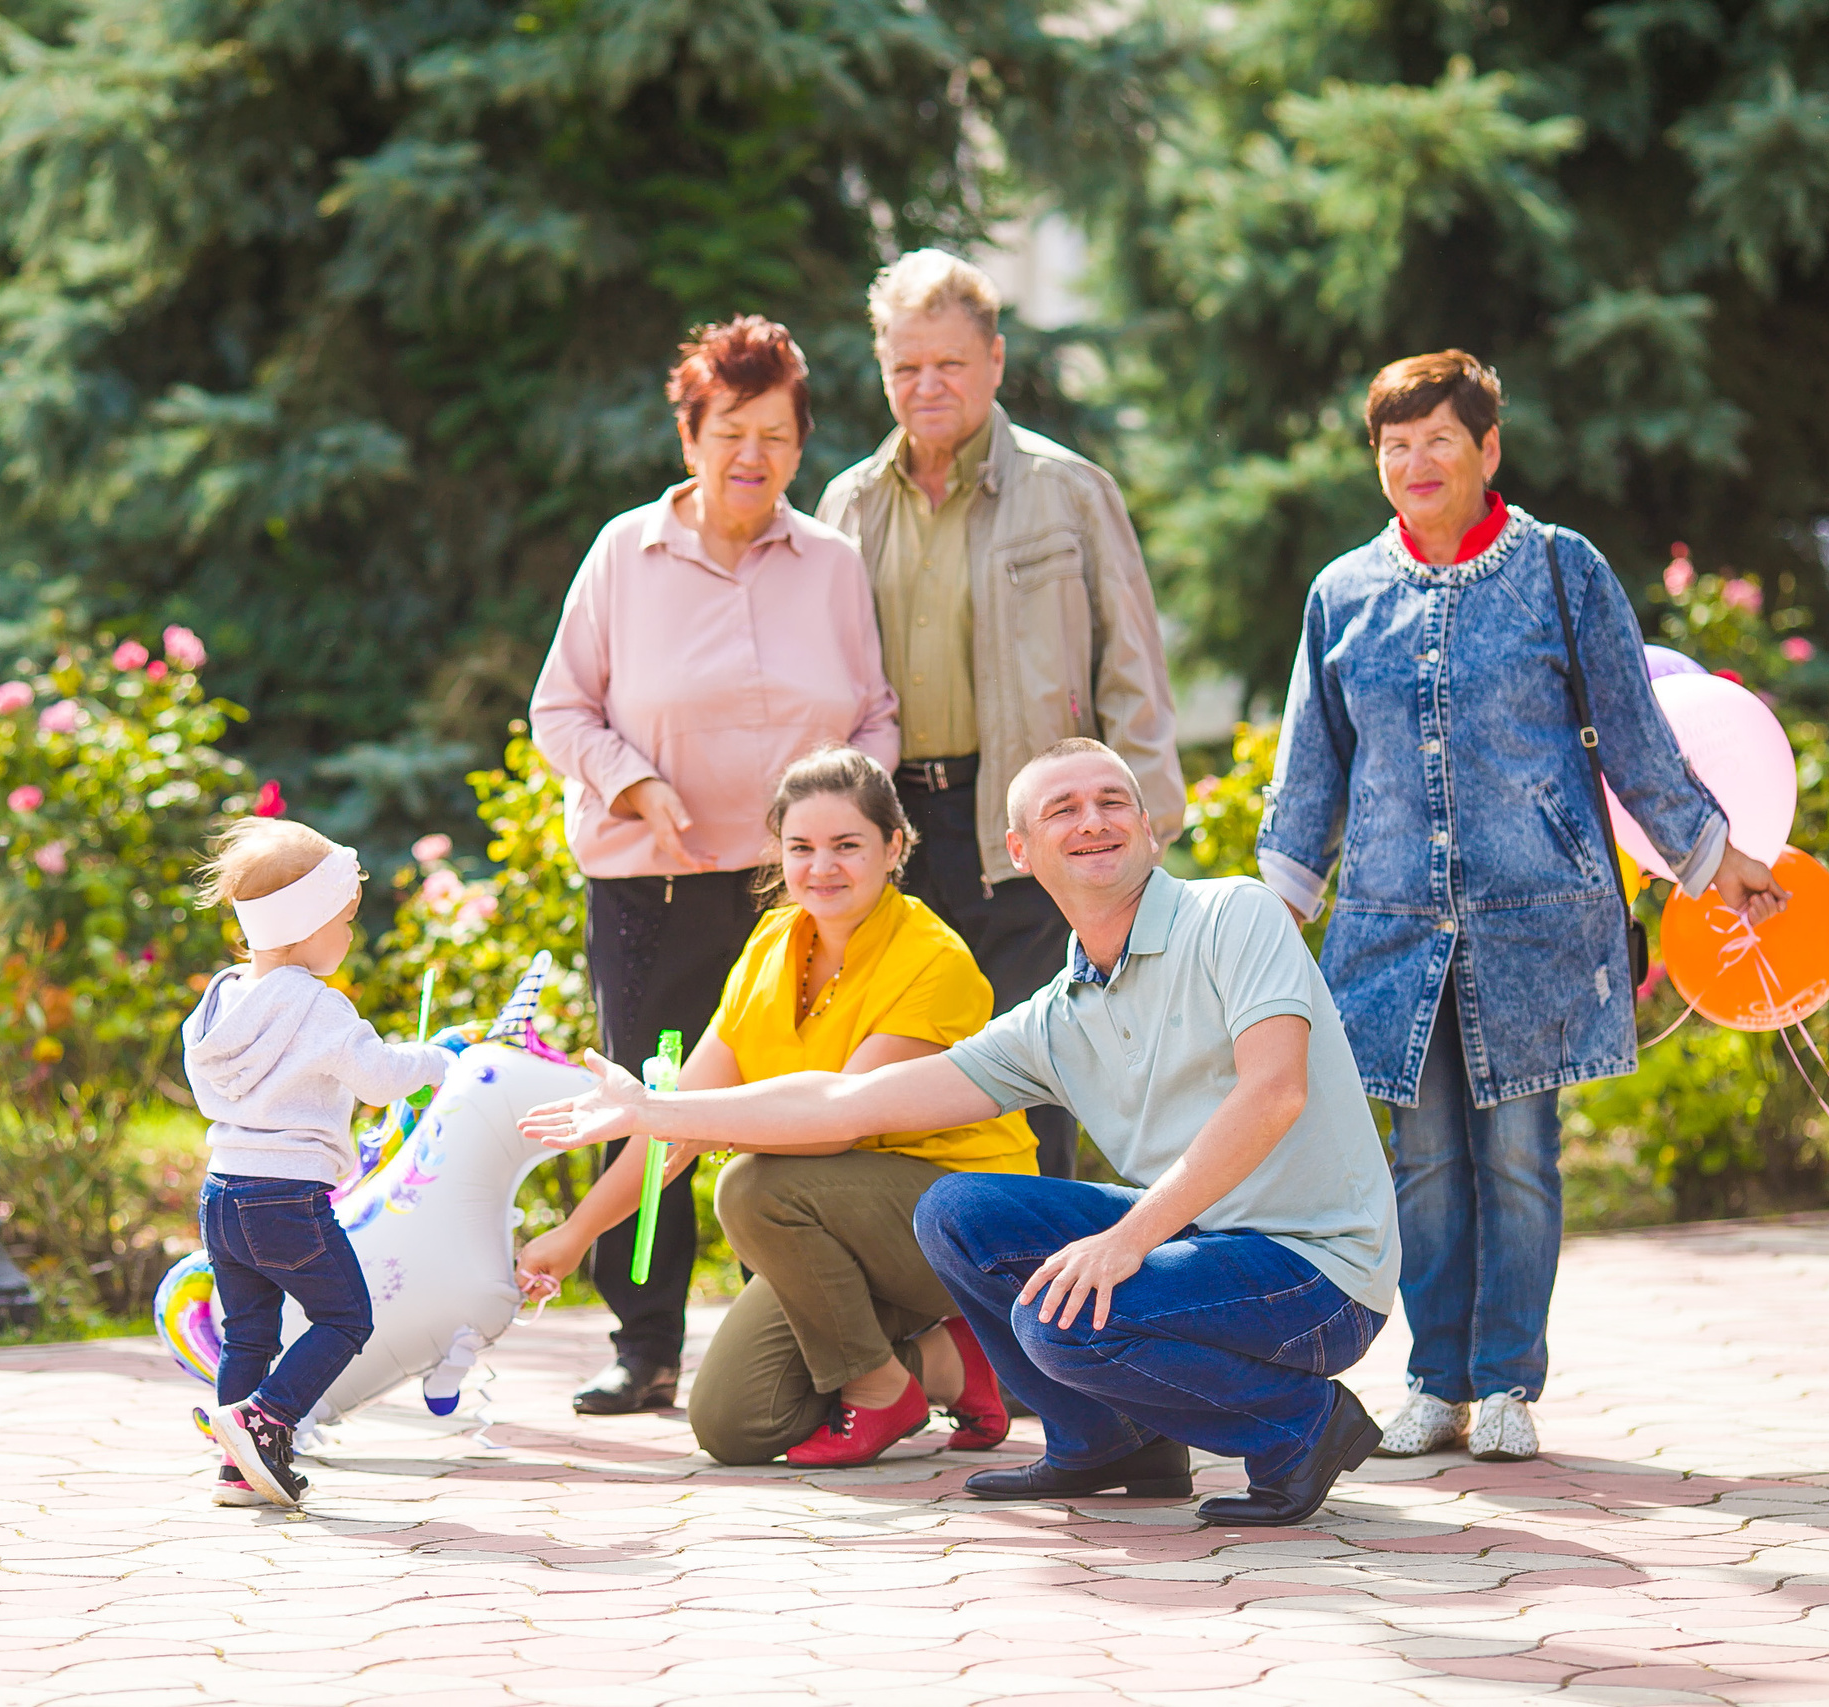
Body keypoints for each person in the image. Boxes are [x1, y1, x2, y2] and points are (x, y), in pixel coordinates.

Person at [523, 741, 1401, 1530]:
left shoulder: (1232, 916)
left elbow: (1276, 1093)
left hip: (1316, 1275)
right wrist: (654, 1112)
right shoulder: (1058, 1018)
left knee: (1059, 1320)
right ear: (1020, 851)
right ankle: (1105, 1444)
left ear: (1150, 826)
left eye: (1112, 800)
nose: (1092, 820)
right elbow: (845, 1102)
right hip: (1203, 1251)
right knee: (956, 1211)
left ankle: (1301, 1425)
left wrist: (1126, 1240)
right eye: (1062, 809)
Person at [1257, 350, 1786, 1465]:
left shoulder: (1560, 569)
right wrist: (1272, 909)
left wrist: (1713, 857)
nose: (1415, 464)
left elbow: (1636, 733)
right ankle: (1432, 1383)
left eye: (1438, 441)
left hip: (1536, 924)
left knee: (1516, 1159)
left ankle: (1506, 1383)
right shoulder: (1342, 594)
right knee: (1424, 1165)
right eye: (1394, 447)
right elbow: (1312, 769)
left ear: (1486, 450)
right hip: (1393, 934)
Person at [530, 316, 900, 1417]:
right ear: (689, 435)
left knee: (792, 1112)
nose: (754, 456)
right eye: (731, 431)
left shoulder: (830, 563)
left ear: (801, 444)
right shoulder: (624, 555)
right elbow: (561, 709)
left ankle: (790, 1341)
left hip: (802, 894)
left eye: (777, 435)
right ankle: (644, 1344)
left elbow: (875, 716)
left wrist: (854, 826)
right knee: (655, 1107)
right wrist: (636, 783)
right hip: (654, 884)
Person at [513, 748, 1033, 1467]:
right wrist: (572, 1235)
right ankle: (949, 1365)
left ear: (894, 845)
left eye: (847, 845)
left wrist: (662, 1114)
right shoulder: (770, 944)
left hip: (960, 1225)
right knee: (735, 1421)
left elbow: (834, 1124)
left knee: (754, 1183)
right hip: (842, 1228)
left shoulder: (933, 960)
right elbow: (681, 1116)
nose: (822, 867)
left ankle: (881, 1386)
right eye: (802, 847)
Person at [815, 250, 1186, 1180]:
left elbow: (1134, 674)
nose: (927, 385)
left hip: (1029, 830)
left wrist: (1140, 830)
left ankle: (1040, 1316)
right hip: (897, 828)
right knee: (906, 1081)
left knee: (1039, 1084)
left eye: (949, 363)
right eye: (906, 367)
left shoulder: (1071, 492)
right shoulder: (848, 506)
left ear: (994, 361)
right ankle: (935, 1314)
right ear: (883, 371)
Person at [181, 818, 456, 1509]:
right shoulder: (318, 1005)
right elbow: (382, 1076)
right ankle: (265, 1418)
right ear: (306, 925)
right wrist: (437, 1060)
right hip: (285, 1200)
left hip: (222, 1193)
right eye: (344, 921)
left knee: (248, 1331)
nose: (349, 936)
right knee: (345, 1317)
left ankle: (239, 1469)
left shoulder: (220, 1000)